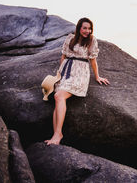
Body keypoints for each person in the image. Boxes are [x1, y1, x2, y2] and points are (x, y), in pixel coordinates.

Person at [45, 17, 109, 145]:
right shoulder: (70, 38)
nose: (87, 31)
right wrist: (60, 74)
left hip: (80, 73)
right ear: (79, 28)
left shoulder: (91, 40)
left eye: (89, 28)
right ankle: (56, 134)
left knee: (59, 96)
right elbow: (64, 56)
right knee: (58, 98)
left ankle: (58, 134)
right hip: (66, 71)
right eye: (84, 28)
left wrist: (97, 76)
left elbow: (93, 60)